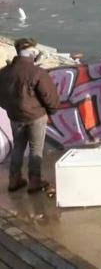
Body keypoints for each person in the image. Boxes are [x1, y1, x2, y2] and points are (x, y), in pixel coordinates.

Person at [0, 38, 60, 193]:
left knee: (18, 146)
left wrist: (9, 108)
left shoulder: (4, 72)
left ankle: (14, 179)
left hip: (15, 116)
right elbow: (49, 95)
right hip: (36, 116)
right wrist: (52, 110)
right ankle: (35, 181)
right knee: (35, 148)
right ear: (31, 52)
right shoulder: (37, 73)